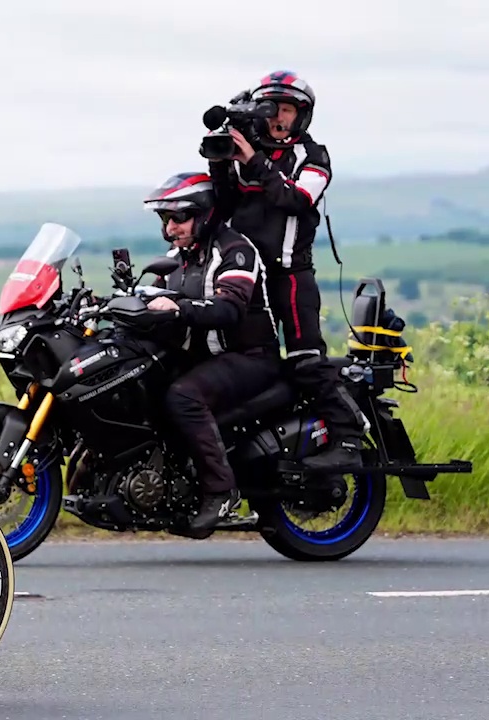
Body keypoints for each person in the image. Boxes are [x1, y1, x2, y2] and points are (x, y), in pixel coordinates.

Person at [206, 69, 365, 472]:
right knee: (243, 362)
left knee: (305, 361)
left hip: (291, 275)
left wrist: (254, 161)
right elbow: (224, 205)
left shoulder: (313, 156)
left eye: (287, 109)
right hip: (246, 278)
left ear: (302, 115)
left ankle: (349, 437)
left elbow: (295, 199)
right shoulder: (244, 151)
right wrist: (221, 163)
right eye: (270, 107)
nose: (277, 116)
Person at [142, 171, 283, 535]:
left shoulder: (235, 251)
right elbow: (152, 296)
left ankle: (221, 491)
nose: (170, 228)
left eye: (179, 217)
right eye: (165, 219)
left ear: (204, 213)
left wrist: (179, 308)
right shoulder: (179, 257)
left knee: (184, 396)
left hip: (250, 356)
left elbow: (229, 308)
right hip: (205, 357)